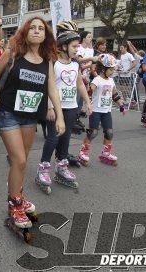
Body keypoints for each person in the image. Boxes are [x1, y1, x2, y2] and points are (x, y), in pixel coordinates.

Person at [0, 16, 65, 230]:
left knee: (22, 161)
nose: (37, 31)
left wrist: (60, 116)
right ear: (25, 32)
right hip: (8, 113)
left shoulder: (47, 59)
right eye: (33, 28)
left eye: (41, 28)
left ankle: (18, 195)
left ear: (46, 35)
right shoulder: (12, 54)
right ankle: (14, 205)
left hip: (30, 116)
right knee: (19, 160)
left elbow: (52, 88)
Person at [36, 31, 91, 194]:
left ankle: (61, 167)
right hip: (55, 107)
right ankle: (43, 169)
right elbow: (46, 86)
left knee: (65, 138)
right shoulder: (53, 63)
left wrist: (87, 101)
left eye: (78, 46)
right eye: (74, 46)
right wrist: (49, 106)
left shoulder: (75, 64)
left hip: (71, 107)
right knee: (53, 138)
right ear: (64, 47)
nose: (77, 49)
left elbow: (80, 84)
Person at [77, 54, 125, 166]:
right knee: (93, 132)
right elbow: (88, 92)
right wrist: (86, 102)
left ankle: (106, 153)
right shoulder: (97, 80)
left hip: (107, 111)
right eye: (111, 69)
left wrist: (121, 105)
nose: (113, 71)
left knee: (109, 132)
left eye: (113, 69)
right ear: (103, 69)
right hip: (96, 111)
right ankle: (83, 153)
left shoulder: (111, 81)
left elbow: (114, 95)